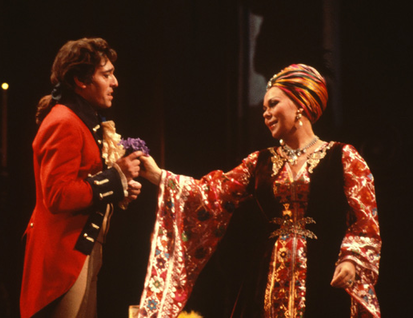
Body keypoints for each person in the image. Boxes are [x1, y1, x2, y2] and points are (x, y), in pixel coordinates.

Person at [137, 64, 381, 317]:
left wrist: (352, 259)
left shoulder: (344, 157)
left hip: (325, 277)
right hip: (266, 280)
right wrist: (157, 175)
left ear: (301, 104)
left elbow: (365, 222)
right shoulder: (259, 162)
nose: (266, 113)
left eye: (273, 104)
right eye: (264, 108)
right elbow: (211, 193)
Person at [20, 37, 144, 318]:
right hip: (62, 256)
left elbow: (83, 183)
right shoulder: (64, 121)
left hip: (81, 251)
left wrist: (119, 187)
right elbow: (57, 194)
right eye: (106, 75)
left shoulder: (80, 121)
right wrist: (115, 178)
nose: (115, 83)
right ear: (80, 80)